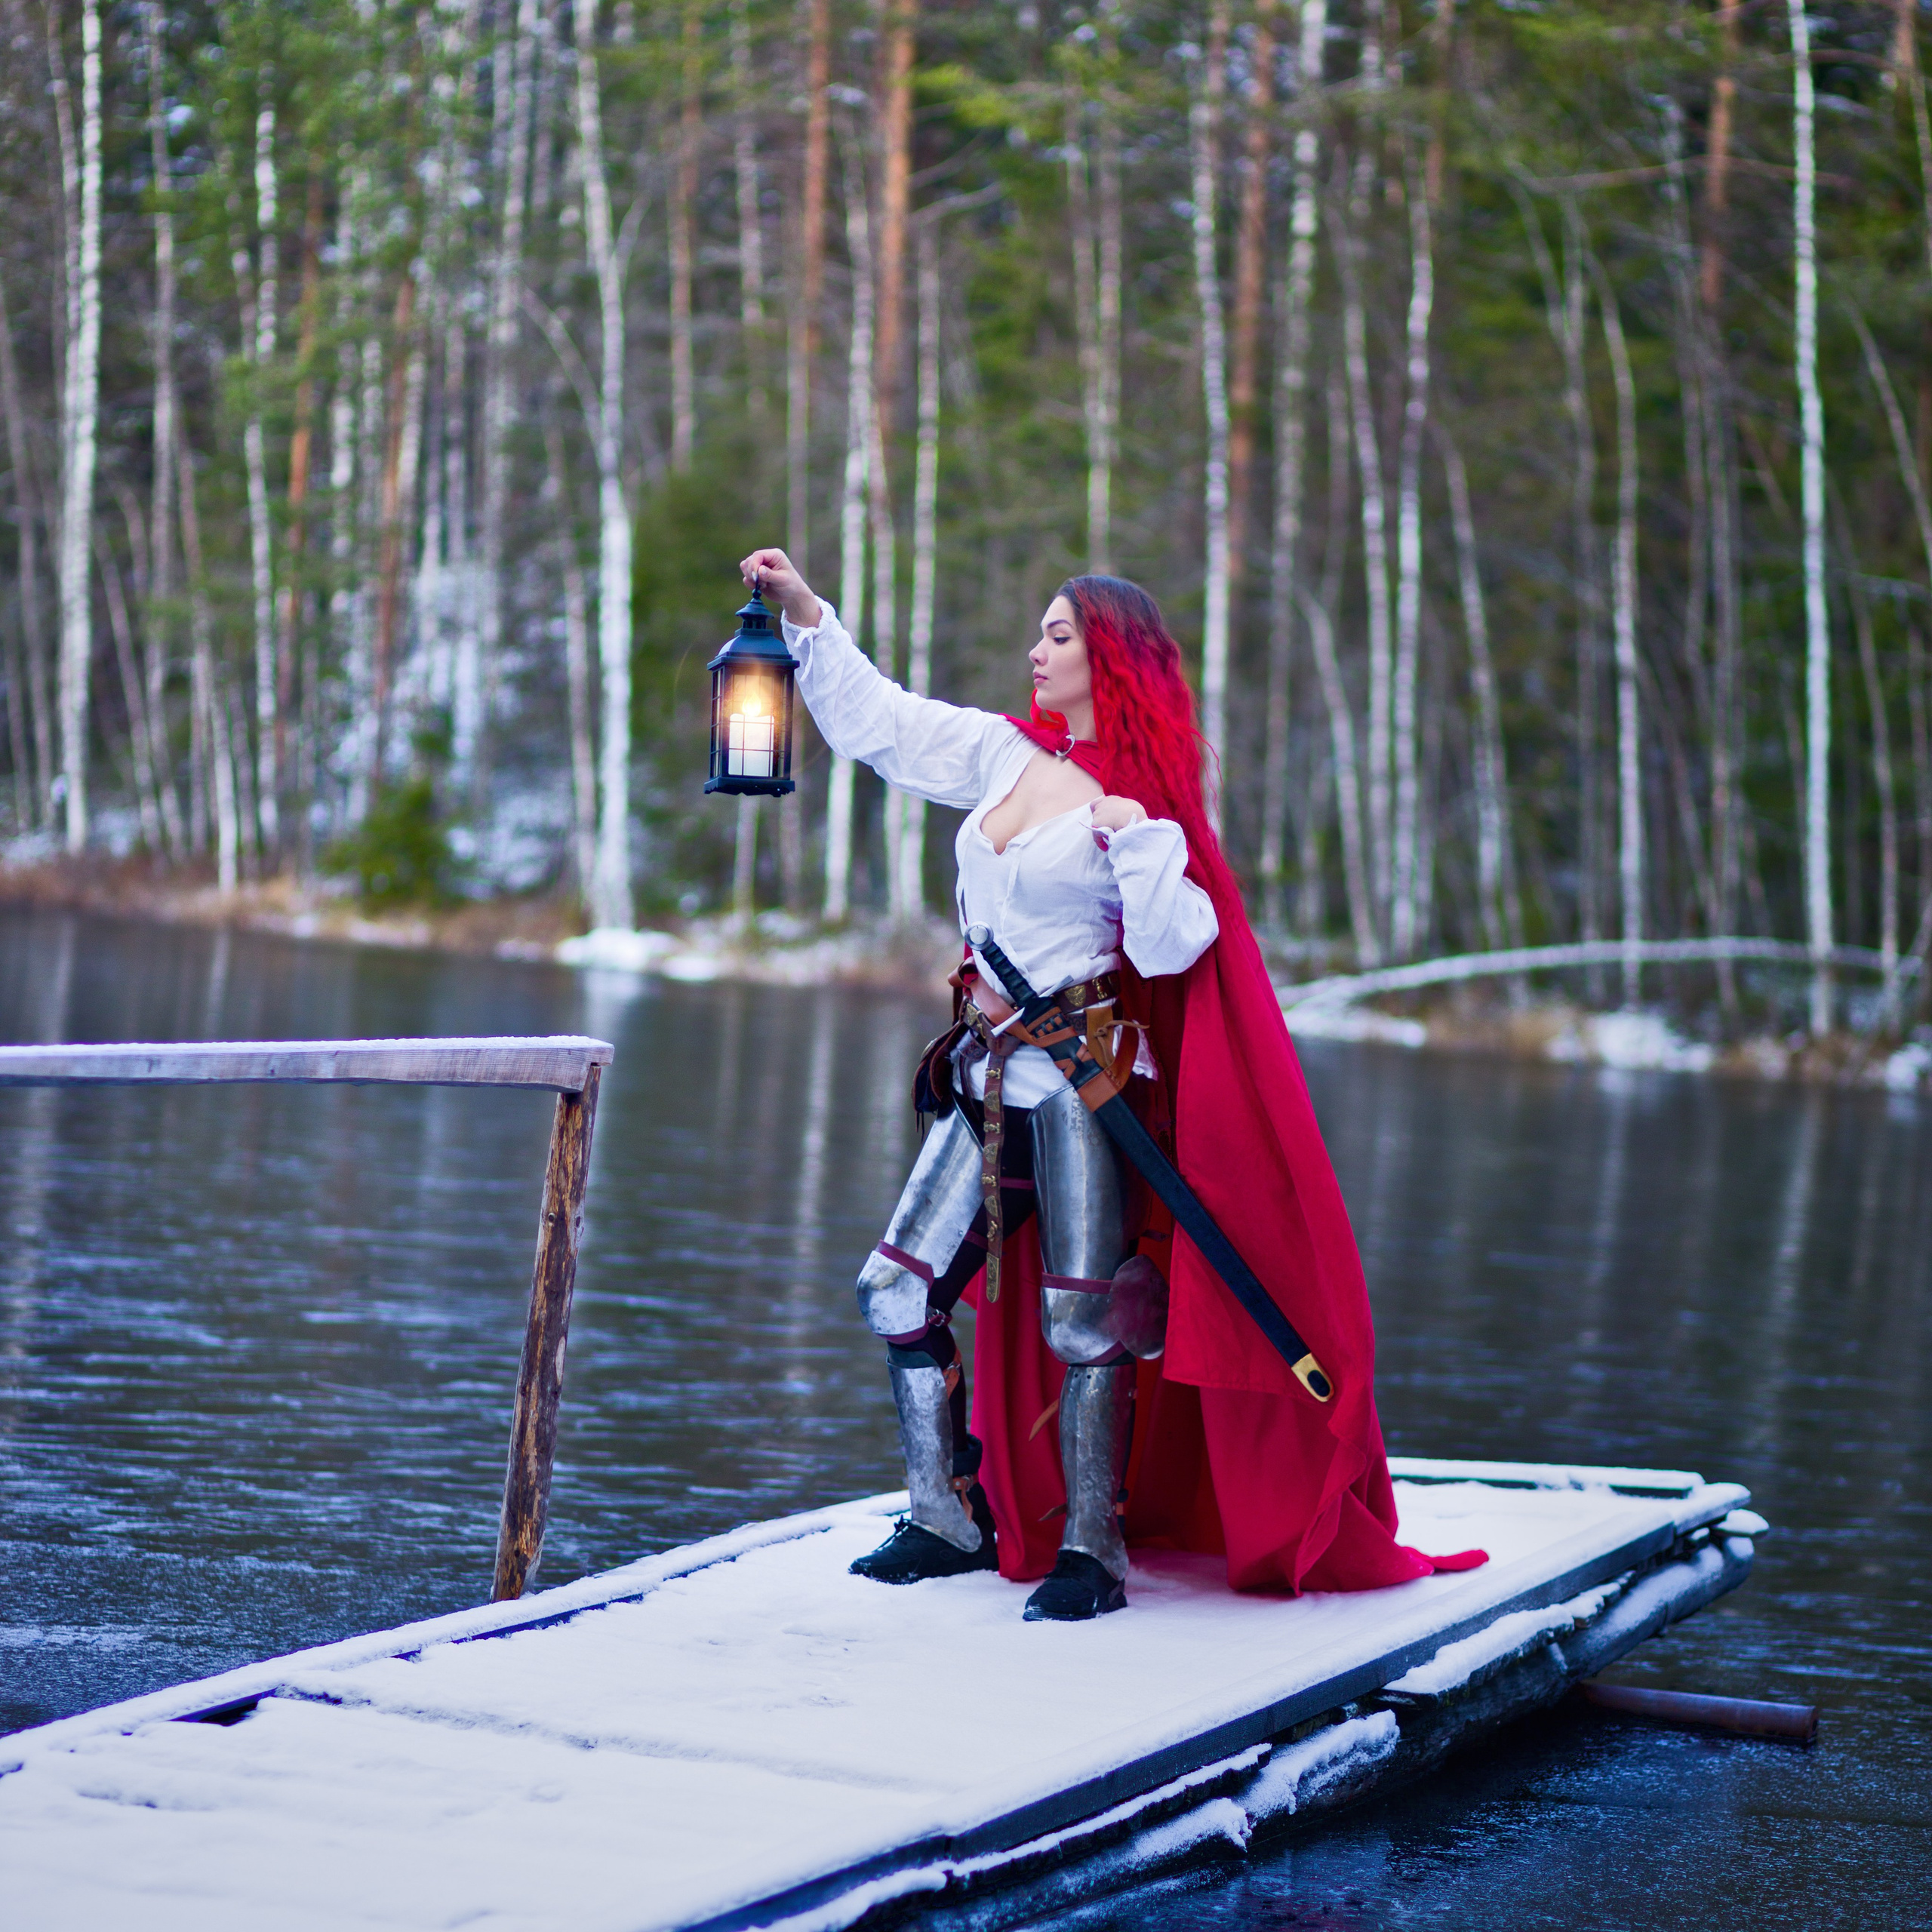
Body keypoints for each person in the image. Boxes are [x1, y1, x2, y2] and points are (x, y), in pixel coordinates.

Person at [737, 549, 1485, 1623]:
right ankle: (946, 1516)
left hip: (1083, 1085)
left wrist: (1141, 843)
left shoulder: (1138, 803)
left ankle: (1095, 1548)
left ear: (1110, 660)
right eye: (1039, 634)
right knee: (895, 1290)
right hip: (985, 1078)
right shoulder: (1001, 753)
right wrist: (807, 615)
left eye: (1057, 637)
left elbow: (1182, 947)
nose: (1033, 653)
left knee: (1083, 1324)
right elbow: (881, 725)